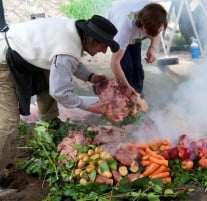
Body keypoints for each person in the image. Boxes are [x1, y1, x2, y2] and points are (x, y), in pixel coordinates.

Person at [0, 15, 119, 170]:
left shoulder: (74, 33)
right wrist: (90, 107)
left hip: (17, 47)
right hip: (3, 60)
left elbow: (68, 62)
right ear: (91, 40)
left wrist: (91, 77)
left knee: (50, 74)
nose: (104, 51)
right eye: (104, 46)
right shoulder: (68, 48)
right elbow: (60, 92)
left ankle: (50, 124)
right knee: (7, 122)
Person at [104, 0, 168, 97]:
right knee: (127, 69)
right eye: (149, 33)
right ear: (142, 25)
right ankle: (127, 99)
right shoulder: (126, 26)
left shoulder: (155, 14)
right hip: (116, 25)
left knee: (137, 69)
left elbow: (156, 30)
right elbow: (114, 63)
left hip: (133, 28)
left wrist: (152, 48)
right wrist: (129, 88)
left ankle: (138, 96)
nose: (152, 36)